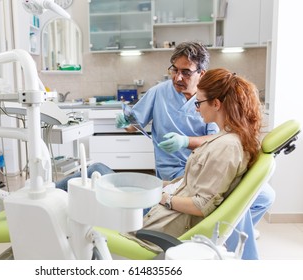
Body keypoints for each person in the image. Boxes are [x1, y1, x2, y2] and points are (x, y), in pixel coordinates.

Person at [115, 41, 274, 259]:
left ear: (201, 73)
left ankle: (225, 236)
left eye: (186, 72)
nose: (178, 78)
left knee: (260, 197)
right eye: (174, 70)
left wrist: (185, 141)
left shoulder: (215, 110)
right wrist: (125, 121)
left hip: (204, 166)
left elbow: (218, 140)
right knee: (235, 202)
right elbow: (133, 125)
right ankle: (231, 235)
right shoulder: (159, 93)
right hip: (176, 170)